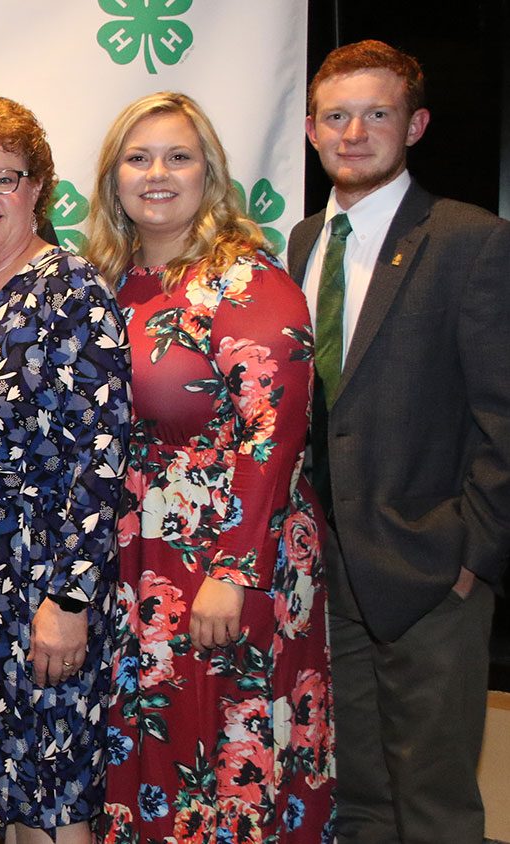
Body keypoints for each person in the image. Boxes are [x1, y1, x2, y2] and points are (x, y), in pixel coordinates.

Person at [85, 91, 334, 844]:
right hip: (138, 563)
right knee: (153, 754)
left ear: (210, 174)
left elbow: (274, 435)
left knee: (229, 761)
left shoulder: (248, 283)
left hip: (227, 560)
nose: (157, 173)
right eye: (139, 157)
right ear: (112, 178)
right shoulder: (113, 281)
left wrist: (234, 570)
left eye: (178, 156)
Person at [291, 40, 510, 843]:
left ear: (414, 124)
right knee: (358, 801)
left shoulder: (470, 241)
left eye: (375, 114)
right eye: (336, 116)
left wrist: (471, 555)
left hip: (430, 573)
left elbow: (505, 415)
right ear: (311, 130)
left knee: (436, 805)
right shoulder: (303, 242)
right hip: (328, 575)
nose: (354, 133)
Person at [0, 95, 130, 844]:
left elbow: (100, 462)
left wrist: (69, 600)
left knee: (49, 811)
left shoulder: (73, 292)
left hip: (40, 593)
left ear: (38, 185)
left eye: (2, 178)